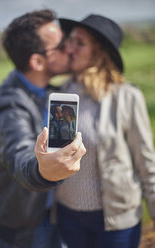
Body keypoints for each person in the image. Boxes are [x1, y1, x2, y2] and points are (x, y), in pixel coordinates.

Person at [55, 14, 155, 248]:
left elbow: (146, 161)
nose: (69, 49)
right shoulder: (60, 95)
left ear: (99, 51)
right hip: (69, 216)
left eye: (80, 43)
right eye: (70, 41)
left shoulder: (127, 96)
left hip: (116, 219)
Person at [0, 9, 86, 248]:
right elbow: (18, 156)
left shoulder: (51, 91)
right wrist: (45, 171)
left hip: (51, 214)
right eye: (62, 45)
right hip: (20, 226)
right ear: (38, 61)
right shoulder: (10, 105)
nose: (70, 49)